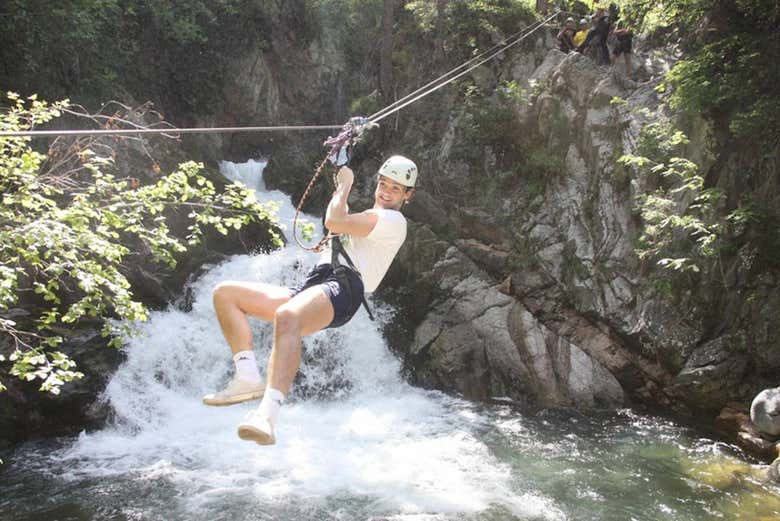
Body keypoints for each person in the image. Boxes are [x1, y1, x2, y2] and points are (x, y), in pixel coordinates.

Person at [202, 155, 418, 445]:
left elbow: (334, 220)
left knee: (287, 316)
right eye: (384, 183)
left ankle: (267, 415)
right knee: (226, 294)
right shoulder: (371, 217)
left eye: (396, 188)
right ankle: (247, 377)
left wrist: (344, 185)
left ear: (408, 194)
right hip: (317, 284)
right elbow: (340, 222)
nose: (387, 191)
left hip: (344, 288)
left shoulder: (393, 220)